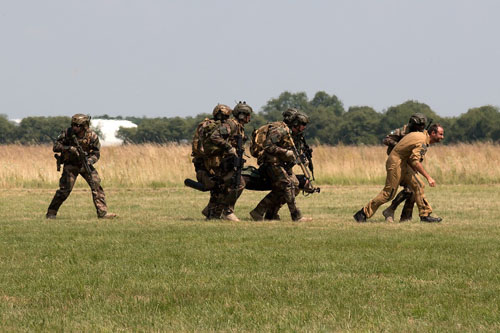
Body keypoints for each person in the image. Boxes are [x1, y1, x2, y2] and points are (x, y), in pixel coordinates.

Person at [353, 123, 445, 223]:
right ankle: (362, 213)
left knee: (418, 185)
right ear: (433, 133)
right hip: (396, 163)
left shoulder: (420, 135)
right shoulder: (422, 140)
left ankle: (425, 215)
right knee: (388, 194)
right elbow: (415, 161)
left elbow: (407, 153)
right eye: (440, 134)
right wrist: (428, 177)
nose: (442, 137)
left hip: (403, 163)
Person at [46, 114, 116, 219]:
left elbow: (96, 153)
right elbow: (56, 147)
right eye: (73, 125)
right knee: (65, 190)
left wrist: (89, 161)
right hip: (71, 165)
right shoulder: (67, 133)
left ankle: (102, 213)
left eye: (77, 125)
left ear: (84, 126)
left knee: (96, 185)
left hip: (85, 164)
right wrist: (69, 148)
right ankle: (51, 213)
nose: (74, 127)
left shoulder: (92, 136)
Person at [249, 111, 312, 222]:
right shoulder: (280, 131)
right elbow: (268, 146)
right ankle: (296, 216)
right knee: (288, 186)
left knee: (295, 186)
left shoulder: (295, 134)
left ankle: (262, 212)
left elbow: (295, 150)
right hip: (272, 164)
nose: (304, 127)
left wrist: (302, 159)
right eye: (302, 124)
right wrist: (285, 152)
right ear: (296, 123)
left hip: (284, 165)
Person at [204, 101, 252, 221]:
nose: (249, 118)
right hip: (222, 161)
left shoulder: (238, 126)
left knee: (222, 187)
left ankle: (212, 212)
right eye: (247, 115)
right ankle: (226, 211)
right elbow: (215, 136)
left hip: (229, 161)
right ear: (242, 115)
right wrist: (229, 147)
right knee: (237, 184)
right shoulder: (231, 124)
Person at [381, 113, 428, 222]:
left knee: (413, 190)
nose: (421, 128)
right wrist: (400, 145)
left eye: (423, 125)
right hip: (397, 164)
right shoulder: (402, 131)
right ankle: (390, 210)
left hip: (409, 165)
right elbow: (386, 139)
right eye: (419, 125)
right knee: (405, 190)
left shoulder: (421, 134)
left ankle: (405, 217)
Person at [191, 104, 232, 219]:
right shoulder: (222, 126)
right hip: (215, 161)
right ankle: (213, 214)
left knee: (215, 187)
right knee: (220, 187)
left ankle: (211, 212)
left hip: (202, 161)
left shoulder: (203, 125)